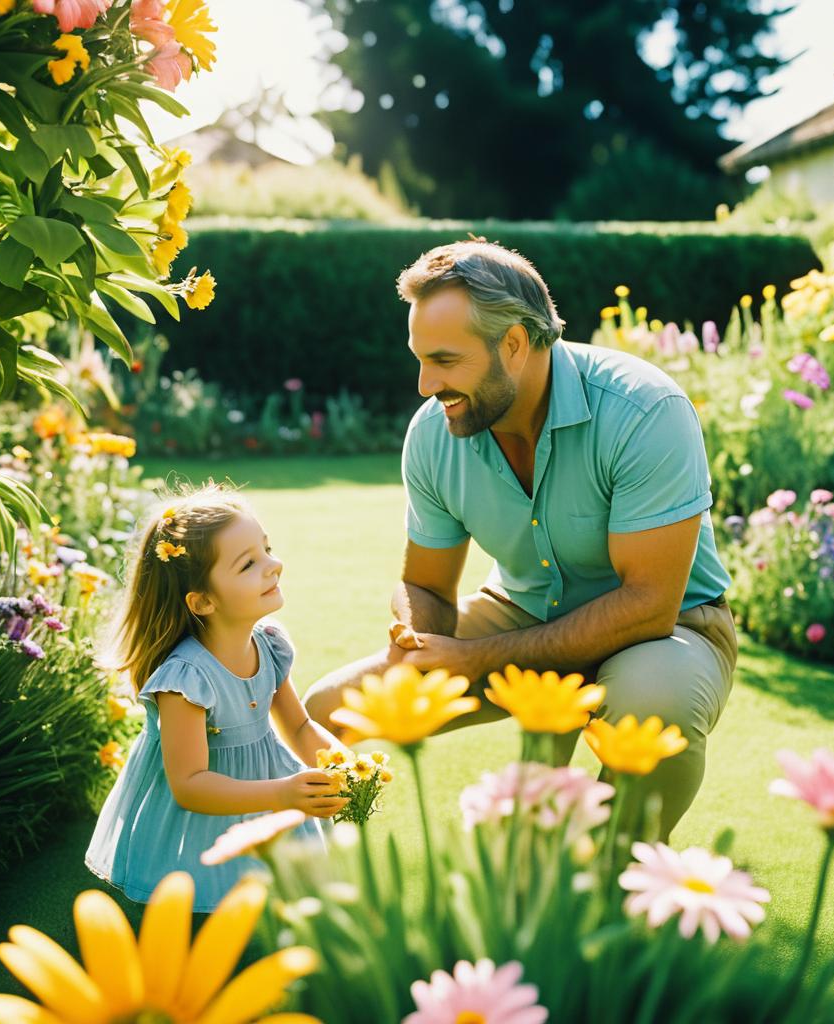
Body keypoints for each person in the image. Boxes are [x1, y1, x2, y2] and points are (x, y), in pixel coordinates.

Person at [304, 239, 737, 838]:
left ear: (514, 343)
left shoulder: (644, 410)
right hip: (524, 610)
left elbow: (648, 606)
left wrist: (474, 659)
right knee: (328, 708)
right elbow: (424, 581)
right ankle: (302, 864)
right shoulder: (435, 432)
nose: (426, 384)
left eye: (446, 361)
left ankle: (609, 883)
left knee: (653, 707)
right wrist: (419, 641)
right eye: (420, 359)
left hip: (670, 631)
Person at [86, 484, 348, 913]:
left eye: (267, 549)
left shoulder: (270, 647)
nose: (274, 565)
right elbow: (190, 786)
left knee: (276, 899)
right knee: (209, 898)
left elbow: (298, 726)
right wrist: (282, 794)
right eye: (249, 563)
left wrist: (343, 763)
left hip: (264, 784)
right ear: (203, 601)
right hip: (201, 811)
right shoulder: (185, 680)